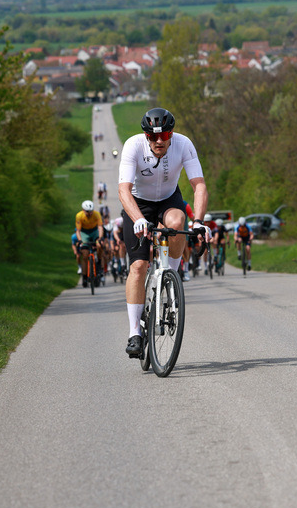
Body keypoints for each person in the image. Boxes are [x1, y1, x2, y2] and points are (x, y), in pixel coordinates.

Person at [119, 107, 209, 358]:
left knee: (179, 220)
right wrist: (138, 219)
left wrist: (199, 221)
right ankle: (135, 332)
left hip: (169, 199)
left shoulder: (183, 144)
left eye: (165, 135)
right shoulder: (133, 146)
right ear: (146, 136)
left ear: (171, 134)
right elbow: (124, 190)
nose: (159, 141)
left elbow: (199, 185)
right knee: (138, 266)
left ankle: (171, 276)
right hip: (138, 203)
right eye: (153, 137)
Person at [74, 200, 105, 285]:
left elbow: (100, 227)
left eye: (91, 211)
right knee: (84, 254)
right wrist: (80, 240)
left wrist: (100, 238)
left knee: (99, 245)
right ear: (83, 210)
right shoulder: (79, 216)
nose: (89, 213)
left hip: (94, 231)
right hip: (84, 232)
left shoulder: (96, 214)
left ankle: (98, 261)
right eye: (87, 212)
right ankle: (84, 276)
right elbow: (78, 231)